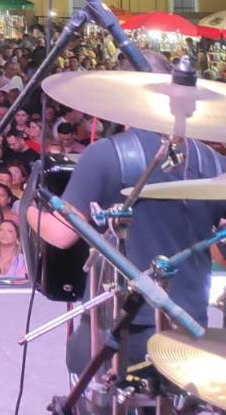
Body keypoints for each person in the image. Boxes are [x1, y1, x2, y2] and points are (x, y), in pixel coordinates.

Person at [28, 113, 226, 366]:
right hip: (189, 326)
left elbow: (61, 234)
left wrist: (26, 210)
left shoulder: (104, 154)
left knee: (82, 365)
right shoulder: (214, 162)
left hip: (116, 327)